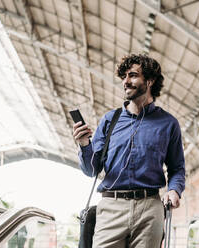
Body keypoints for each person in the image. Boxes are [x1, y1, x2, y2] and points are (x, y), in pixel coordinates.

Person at [73, 54, 185, 248]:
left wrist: (174, 189)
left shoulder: (168, 124)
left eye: (132, 75)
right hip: (111, 208)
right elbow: (92, 170)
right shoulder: (110, 120)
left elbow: (177, 167)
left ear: (149, 81)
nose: (126, 81)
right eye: (124, 76)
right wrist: (84, 144)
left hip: (149, 209)